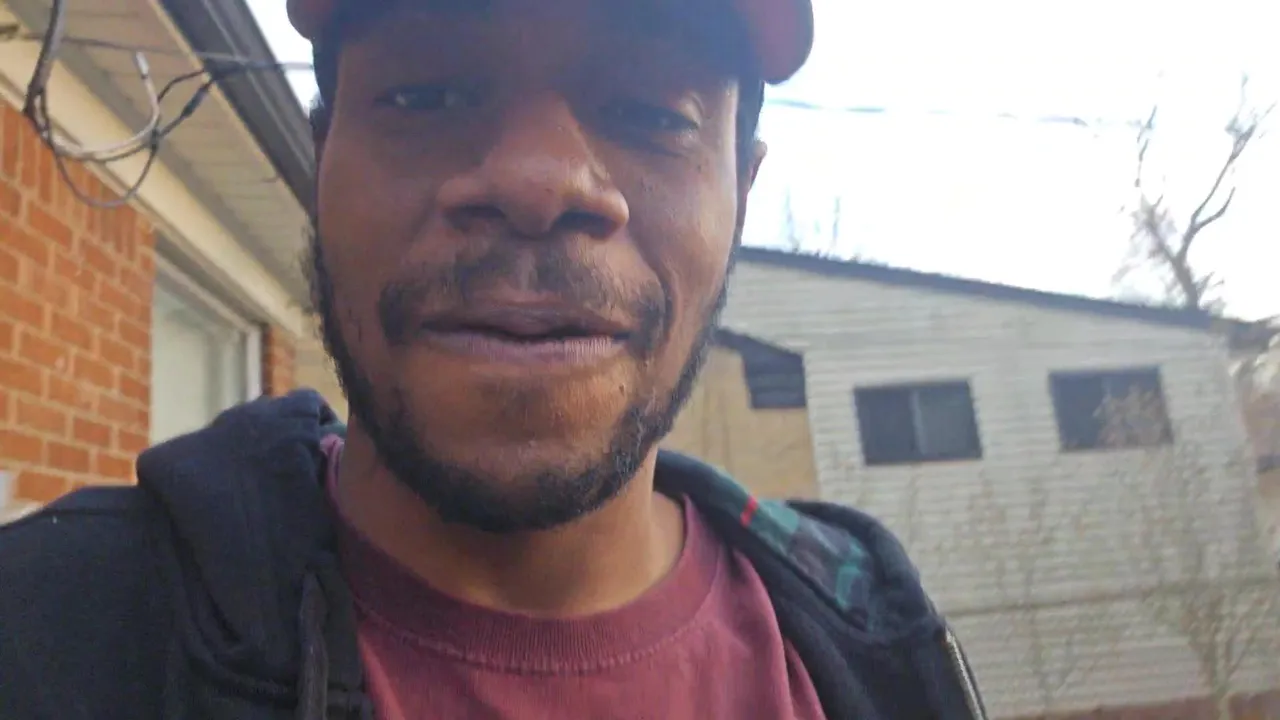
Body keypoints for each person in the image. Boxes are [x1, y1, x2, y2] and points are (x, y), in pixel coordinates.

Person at [0, 0, 989, 717]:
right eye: (424, 93)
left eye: (652, 113)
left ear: (739, 194)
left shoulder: (875, 642)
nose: (536, 181)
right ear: (320, 163)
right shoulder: (43, 636)